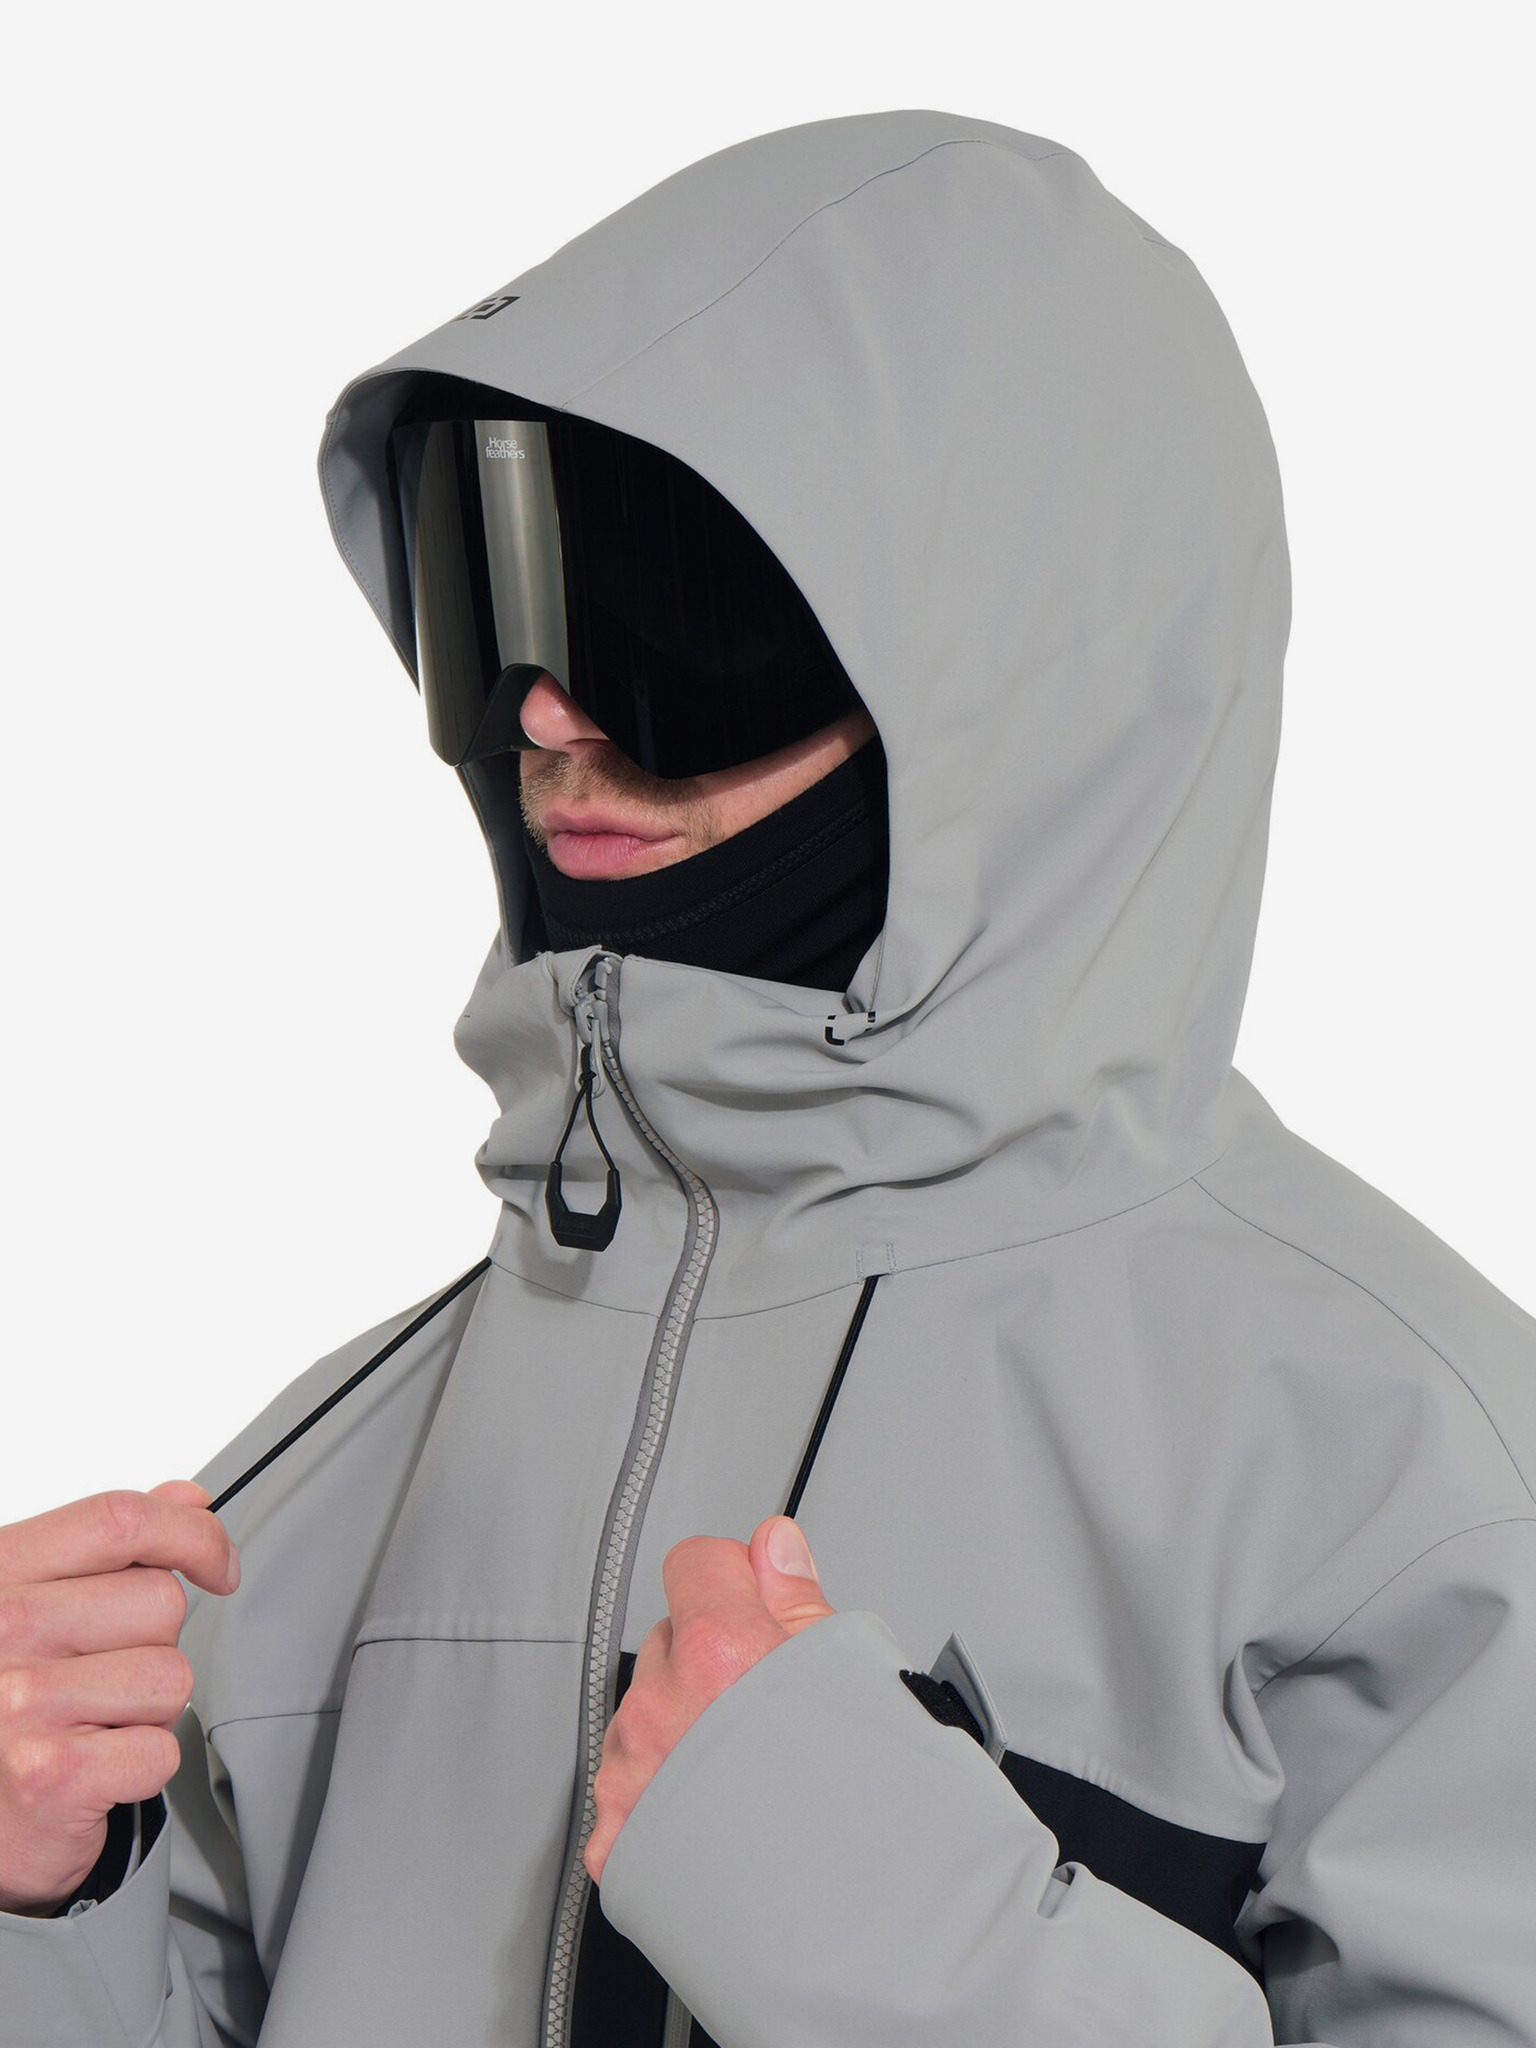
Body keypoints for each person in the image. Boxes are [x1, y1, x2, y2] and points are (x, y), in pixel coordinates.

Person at [1, 105, 1531, 2048]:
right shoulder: (321, 1485)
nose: (549, 713)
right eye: (502, 599)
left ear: (1003, 668)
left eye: (674, 614)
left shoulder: (1406, 1474)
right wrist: (34, 1906)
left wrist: (916, 1942)